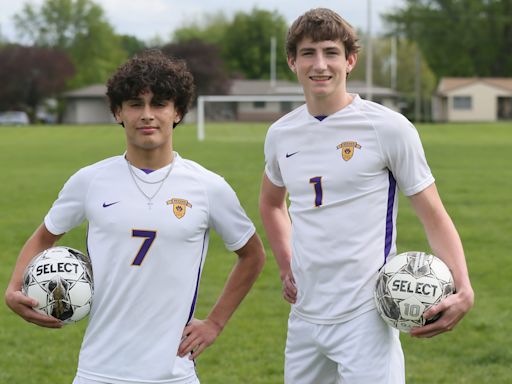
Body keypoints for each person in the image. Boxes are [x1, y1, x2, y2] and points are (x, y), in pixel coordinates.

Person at [5, 49, 265, 384]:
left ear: (178, 112)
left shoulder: (208, 187)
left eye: (159, 104)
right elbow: (44, 236)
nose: (147, 115)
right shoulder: (90, 181)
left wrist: (215, 322)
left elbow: (252, 255)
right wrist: (14, 288)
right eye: (134, 104)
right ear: (117, 112)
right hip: (98, 371)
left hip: (173, 373)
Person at [259, 8, 474, 384]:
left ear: (350, 60)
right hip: (306, 315)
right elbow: (271, 203)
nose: (320, 64)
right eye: (308, 53)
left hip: (367, 315)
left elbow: (433, 215)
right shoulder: (281, 134)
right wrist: (285, 261)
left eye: (331, 52)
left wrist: (464, 285)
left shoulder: (387, 128)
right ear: (292, 62)